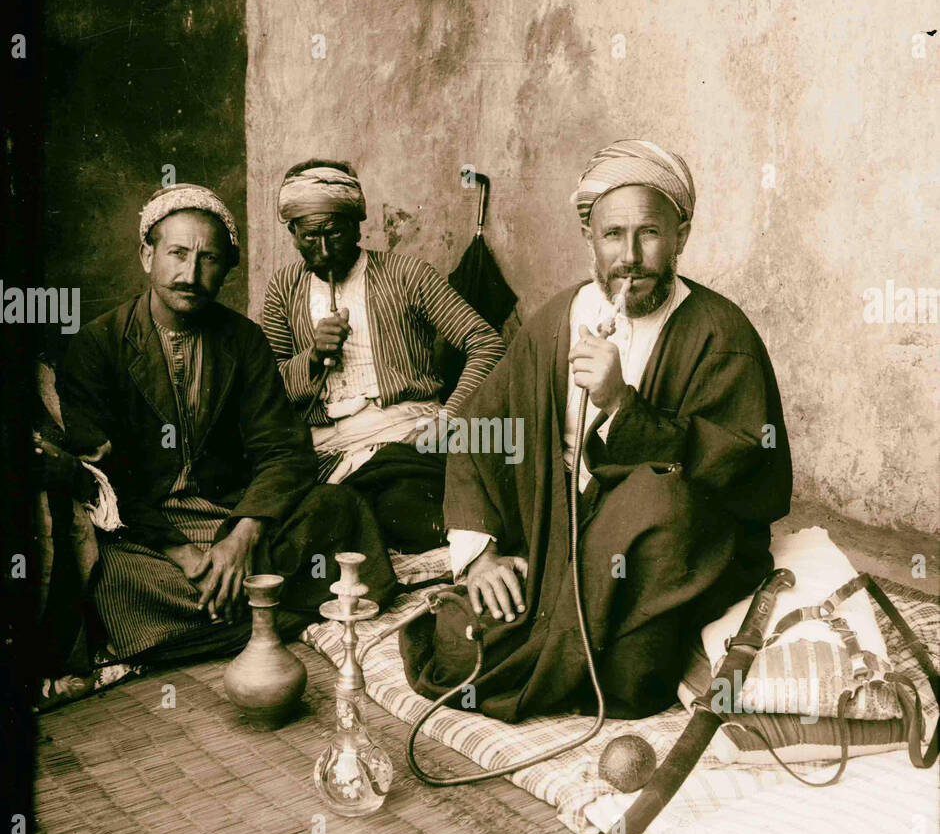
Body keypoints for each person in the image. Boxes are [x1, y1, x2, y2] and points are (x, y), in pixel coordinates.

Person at [402, 139, 793, 723]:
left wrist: (622, 406)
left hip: (663, 557)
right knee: (458, 643)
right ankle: (575, 628)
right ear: (590, 237)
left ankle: (614, 638)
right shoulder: (559, 319)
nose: (630, 255)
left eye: (650, 233)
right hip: (555, 540)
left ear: (681, 236)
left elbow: (742, 471)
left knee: (631, 677)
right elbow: (481, 430)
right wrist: (482, 557)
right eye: (613, 235)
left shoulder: (720, 331)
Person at [57, 183, 396, 663]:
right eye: (176, 253)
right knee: (106, 570)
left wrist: (242, 536)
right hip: (149, 535)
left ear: (226, 270)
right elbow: (105, 478)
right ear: (146, 254)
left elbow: (281, 448)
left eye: (209, 259)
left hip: (230, 513)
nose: (190, 274)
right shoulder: (99, 344)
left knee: (339, 506)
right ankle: (269, 610)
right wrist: (188, 558)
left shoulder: (243, 340)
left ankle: (212, 620)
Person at [261, 160, 505, 553]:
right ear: (292, 232)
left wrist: (447, 419)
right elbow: (268, 387)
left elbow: (487, 343)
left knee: (398, 506)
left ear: (358, 223)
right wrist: (311, 355)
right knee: (298, 528)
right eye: (310, 237)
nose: (323, 250)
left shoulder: (408, 274)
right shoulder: (283, 288)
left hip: (405, 437)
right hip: (323, 454)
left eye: (335, 233)